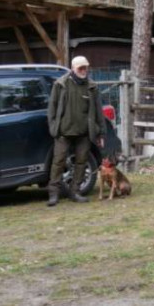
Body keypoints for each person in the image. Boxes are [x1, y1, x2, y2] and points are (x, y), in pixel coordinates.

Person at [46, 56, 106, 206]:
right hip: (63, 132)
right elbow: (51, 108)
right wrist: (54, 128)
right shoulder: (60, 84)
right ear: (73, 68)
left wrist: (101, 133)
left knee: (81, 162)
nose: (84, 70)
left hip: (84, 133)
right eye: (80, 68)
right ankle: (53, 194)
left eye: (85, 67)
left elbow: (99, 111)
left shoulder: (92, 86)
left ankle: (75, 192)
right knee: (58, 162)